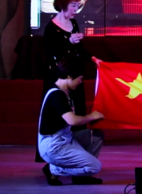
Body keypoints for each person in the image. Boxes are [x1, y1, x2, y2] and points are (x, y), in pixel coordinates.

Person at [39, 56, 105, 186]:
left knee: (96, 135)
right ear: (69, 76)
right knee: (95, 167)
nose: (81, 81)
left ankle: (81, 176)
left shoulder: (65, 92)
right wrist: (92, 116)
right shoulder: (56, 94)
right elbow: (72, 121)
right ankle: (53, 170)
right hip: (54, 144)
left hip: (64, 138)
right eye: (80, 78)